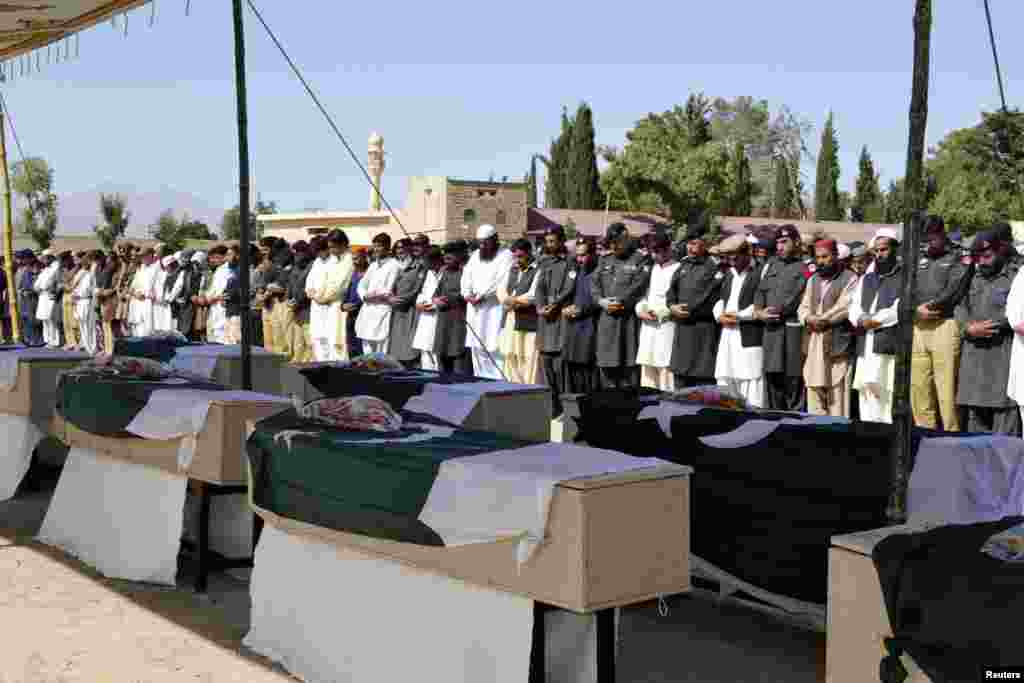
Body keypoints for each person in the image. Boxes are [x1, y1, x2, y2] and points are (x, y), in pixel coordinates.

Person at [956, 230, 1020, 435]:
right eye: (978, 257)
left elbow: (1018, 313)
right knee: (975, 440)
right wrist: (967, 327)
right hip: (973, 368)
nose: (982, 262)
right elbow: (959, 305)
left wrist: (991, 325)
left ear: (999, 251)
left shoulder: (1015, 277)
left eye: (987, 256)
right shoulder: (971, 277)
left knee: (1004, 442)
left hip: (1001, 364)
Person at [911, 216, 971, 431]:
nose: (928, 242)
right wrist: (916, 309)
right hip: (918, 325)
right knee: (919, 387)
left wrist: (932, 307)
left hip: (944, 323)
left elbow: (955, 289)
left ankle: (951, 435)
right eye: (925, 238)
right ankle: (922, 433)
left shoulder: (957, 256)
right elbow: (906, 287)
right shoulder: (916, 256)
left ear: (942, 234)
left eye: (932, 237)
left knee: (946, 388)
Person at [798, 239, 858, 417]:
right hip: (814, 343)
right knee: (814, 393)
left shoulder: (850, 278)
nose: (821, 261)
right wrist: (809, 318)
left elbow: (845, 307)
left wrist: (821, 320)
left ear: (836, 256)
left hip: (836, 344)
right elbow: (803, 306)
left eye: (825, 256)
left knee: (837, 396)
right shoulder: (814, 279)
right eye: (818, 258)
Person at [849, 229, 902, 423]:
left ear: (895, 250)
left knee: (885, 394)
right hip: (865, 344)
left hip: (886, 343)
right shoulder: (867, 278)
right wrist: (861, 318)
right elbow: (853, 306)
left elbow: (899, 308)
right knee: (866, 393)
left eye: (884, 249)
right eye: (877, 251)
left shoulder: (904, 277)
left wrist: (877, 320)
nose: (880, 254)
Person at [592, 223, 650, 389]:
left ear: (626, 238)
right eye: (611, 242)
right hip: (607, 324)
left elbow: (639, 285)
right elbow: (594, 284)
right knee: (607, 373)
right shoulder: (604, 260)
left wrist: (620, 301)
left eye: (617, 242)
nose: (614, 246)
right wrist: (601, 301)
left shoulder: (639, 259)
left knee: (628, 375)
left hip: (627, 324)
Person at [757, 224, 808, 412]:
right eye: (777, 243)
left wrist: (774, 311)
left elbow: (795, 297)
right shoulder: (770, 265)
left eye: (784, 242)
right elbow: (760, 292)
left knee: (793, 385)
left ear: (796, 242)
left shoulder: (805, 267)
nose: (779, 247)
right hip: (771, 335)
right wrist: (758, 311)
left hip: (791, 335)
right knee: (772, 385)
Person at [711, 235, 765, 407]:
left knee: (751, 379)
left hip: (749, 333)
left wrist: (739, 316)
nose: (732, 262)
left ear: (746, 254)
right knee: (727, 377)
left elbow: (760, 304)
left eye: (735, 258)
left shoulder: (759, 272)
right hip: (728, 334)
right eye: (729, 258)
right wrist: (719, 314)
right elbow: (720, 300)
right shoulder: (729, 274)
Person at [667, 226, 722, 389]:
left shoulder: (713, 266)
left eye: (694, 243)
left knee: (701, 386)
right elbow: (671, 291)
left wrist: (689, 311)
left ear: (704, 244)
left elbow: (714, 298)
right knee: (680, 383)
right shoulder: (683, 264)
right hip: (682, 332)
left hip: (702, 333)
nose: (690, 248)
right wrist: (671, 306)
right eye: (688, 244)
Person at [461, 224, 513, 378]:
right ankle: (480, 379)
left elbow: (503, 281)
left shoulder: (506, 255)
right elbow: (466, 277)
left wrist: (483, 296)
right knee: (476, 347)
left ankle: (497, 381)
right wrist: (467, 294)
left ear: (495, 240)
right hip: (475, 308)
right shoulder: (475, 255)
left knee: (494, 346)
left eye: (486, 242)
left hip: (494, 308)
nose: (482, 246)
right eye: (480, 242)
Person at [534, 226, 574, 417]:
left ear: (561, 241)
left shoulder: (570, 262)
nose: (550, 245)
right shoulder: (543, 262)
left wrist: (555, 304)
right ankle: (552, 409)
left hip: (560, 321)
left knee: (560, 369)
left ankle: (566, 410)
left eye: (553, 241)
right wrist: (541, 306)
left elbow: (569, 287)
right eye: (547, 241)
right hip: (545, 321)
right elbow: (539, 287)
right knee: (547, 368)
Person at [635, 231, 680, 391]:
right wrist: (640, 309)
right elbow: (644, 295)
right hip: (648, 328)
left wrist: (661, 312)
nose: (655, 255)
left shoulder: (678, 268)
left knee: (665, 373)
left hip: (666, 327)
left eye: (658, 251)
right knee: (647, 375)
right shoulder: (651, 269)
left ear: (668, 249)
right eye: (653, 251)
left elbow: (678, 300)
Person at [561, 238, 602, 394]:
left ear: (592, 254)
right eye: (577, 255)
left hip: (590, 327)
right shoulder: (575, 270)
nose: (580, 259)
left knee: (587, 372)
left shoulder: (598, 271)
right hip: (573, 328)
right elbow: (567, 292)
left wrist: (582, 309)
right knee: (572, 369)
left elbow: (602, 300)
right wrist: (566, 307)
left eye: (583, 255)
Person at [498, 238, 541, 384]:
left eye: (520, 256)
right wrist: (506, 300)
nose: (517, 259)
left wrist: (514, 301)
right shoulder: (512, 269)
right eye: (515, 256)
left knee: (528, 357)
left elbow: (533, 294)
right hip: (511, 319)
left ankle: (528, 390)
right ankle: (511, 388)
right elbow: (501, 289)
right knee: (511, 356)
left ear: (529, 253)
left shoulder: (538, 269)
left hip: (529, 321)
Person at [355, 233, 401, 355]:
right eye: (374, 246)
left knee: (381, 348)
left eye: (379, 246)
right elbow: (361, 285)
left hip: (382, 308)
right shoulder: (373, 265)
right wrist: (365, 295)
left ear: (387, 247)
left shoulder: (394, 265)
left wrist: (375, 295)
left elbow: (388, 289)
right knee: (367, 346)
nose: (376, 249)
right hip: (367, 309)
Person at [388, 234, 429, 368]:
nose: (416, 247)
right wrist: (391, 297)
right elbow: (395, 284)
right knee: (397, 349)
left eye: (420, 244)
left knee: (411, 350)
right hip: (398, 310)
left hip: (411, 310)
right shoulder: (409, 263)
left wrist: (398, 300)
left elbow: (416, 289)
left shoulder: (424, 265)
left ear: (426, 246)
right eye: (414, 244)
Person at [432, 241, 470, 374]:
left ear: (458, 257)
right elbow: (436, 293)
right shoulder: (445, 273)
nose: (446, 261)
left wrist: (447, 299)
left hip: (458, 322)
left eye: (449, 258)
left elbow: (465, 295)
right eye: (445, 258)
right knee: (442, 362)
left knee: (458, 361)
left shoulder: (465, 272)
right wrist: (436, 300)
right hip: (443, 322)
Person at [304, 235, 340, 361]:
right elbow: (309, 281)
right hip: (316, 305)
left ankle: (332, 365)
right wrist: (310, 291)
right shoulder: (317, 262)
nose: (318, 254)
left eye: (319, 250)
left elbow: (336, 284)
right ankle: (321, 363)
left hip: (330, 305)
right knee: (318, 337)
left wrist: (324, 298)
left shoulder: (336, 261)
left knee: (331, 337)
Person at [412, 245, 445, 370]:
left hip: (439, 317)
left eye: (425, 260)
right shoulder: (429, 273)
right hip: (425, 316)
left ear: (434, 260)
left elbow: (444, 297)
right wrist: (419, 303)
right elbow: (423, 292)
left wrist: (433, 304)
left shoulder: (445, 272)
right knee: (425, 352)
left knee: (436, 353)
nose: (423, 262)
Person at [284, 240, 315, 363]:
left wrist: (298, 301)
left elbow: (309, 287)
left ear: (306, 253)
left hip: (308, 309)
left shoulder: (312, 266)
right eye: (295, 253)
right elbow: (290, 284)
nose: (296, 256)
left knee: (309, 342)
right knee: (298, 343)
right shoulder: (296, 266)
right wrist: (288, 299)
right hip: (296, 310)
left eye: (299, 253)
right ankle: (298, 366)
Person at [342, 249, 368, 360]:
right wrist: (343, 305)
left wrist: (357, 304)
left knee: (362, 345)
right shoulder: (352, 273)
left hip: (363, 314)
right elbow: (346, 292)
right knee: (351, 346)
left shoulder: (369, 273)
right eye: (353, 259)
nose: (355, 261)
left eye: (357, 258)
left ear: (364, 258)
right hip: (351, 315)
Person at [71, 251, 98, 354]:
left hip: (88, 301)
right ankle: (88, 348)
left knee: (89, 327)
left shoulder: (91, 274)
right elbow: (75, 287)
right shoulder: (82, 273)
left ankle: (92, 349)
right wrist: (75, 294)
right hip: (80, 302)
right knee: (83, 327)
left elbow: (91, 289)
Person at [33, 250, 61, 347]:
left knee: (51, 319)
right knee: (45, 319)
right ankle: (48, 340)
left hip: (50, 296)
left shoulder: (56, 267)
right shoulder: (45, 269)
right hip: (42, 295)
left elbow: (53, 282)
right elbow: (37, 283)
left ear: (50, 257)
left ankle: (54, 341)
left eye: (45, 258)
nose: (43, 260)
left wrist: (51, 290)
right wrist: (38, 288)